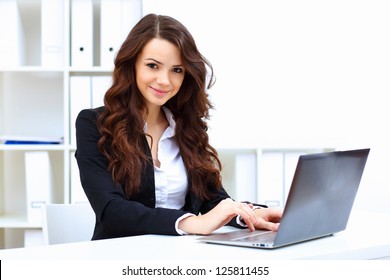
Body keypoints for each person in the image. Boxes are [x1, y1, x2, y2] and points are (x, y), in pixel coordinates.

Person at [75, 13, 282, 240]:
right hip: (121, 257)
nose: (165, 80)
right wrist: (193, 222)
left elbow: (212, 199)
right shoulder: (94, 125)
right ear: (131, 64)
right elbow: (111, 211)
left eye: (177, 70)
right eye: (153, 66)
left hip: (183, 256)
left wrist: (250, 215)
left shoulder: (186, 126)